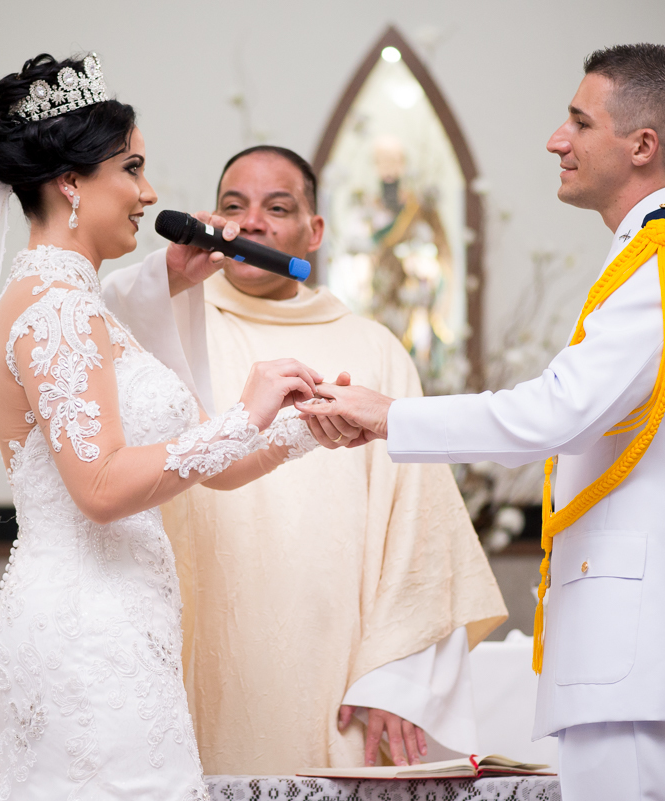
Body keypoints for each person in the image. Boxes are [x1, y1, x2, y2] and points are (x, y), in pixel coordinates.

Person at [299, 44, 665, 801]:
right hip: (650, 648)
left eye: (580, 121)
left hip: (643, 644)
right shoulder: (664, 253)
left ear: (642, 145)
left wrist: (391, 416)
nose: (557, 139)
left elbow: (562, 411)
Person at [0, 55, 331, 800]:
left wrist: (308, 426)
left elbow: (207, 463)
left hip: (119, 624)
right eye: (132, 168)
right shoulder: (56, 307)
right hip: (86, 637)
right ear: (70, 182)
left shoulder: (80, 302)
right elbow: (101, 488)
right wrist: (245, 410)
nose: (150, 192)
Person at [100, 145, 507, 773]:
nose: (252, 222)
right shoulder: (169, 320)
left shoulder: (374, 347)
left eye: (277, 208)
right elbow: (96, 321)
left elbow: (419, 522)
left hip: (333, 650)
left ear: (313, 232)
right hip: (195, 633)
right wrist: (171, 276)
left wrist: (397, 677)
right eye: (235, 205)